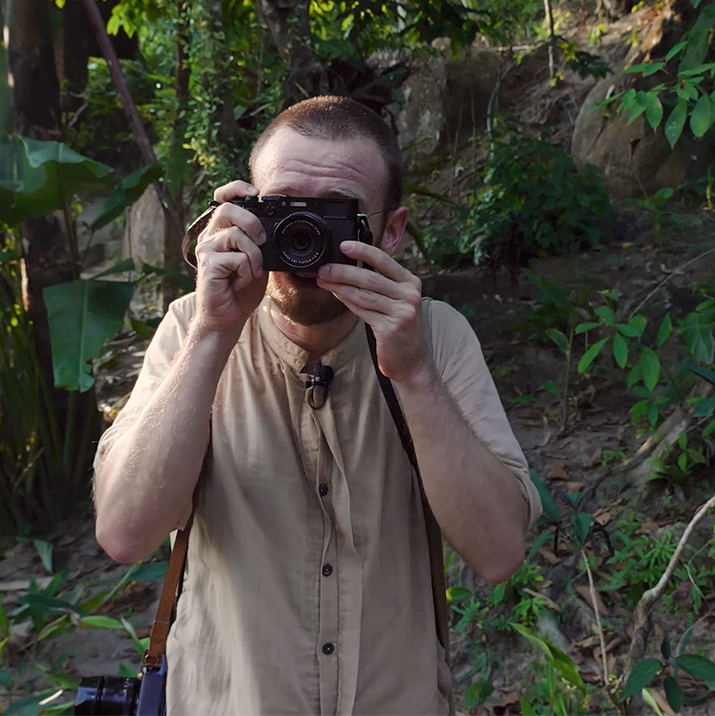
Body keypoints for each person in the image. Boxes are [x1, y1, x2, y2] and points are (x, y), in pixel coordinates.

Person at [92, 95, 540, 715]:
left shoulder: (435, 338)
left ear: (392, 229)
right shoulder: (193, 328)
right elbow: (123, 534)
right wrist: (212, 333)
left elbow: (498, 553)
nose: (306, 241)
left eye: (334, 215)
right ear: (245, 212)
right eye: (284, 212)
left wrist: (412, 373)